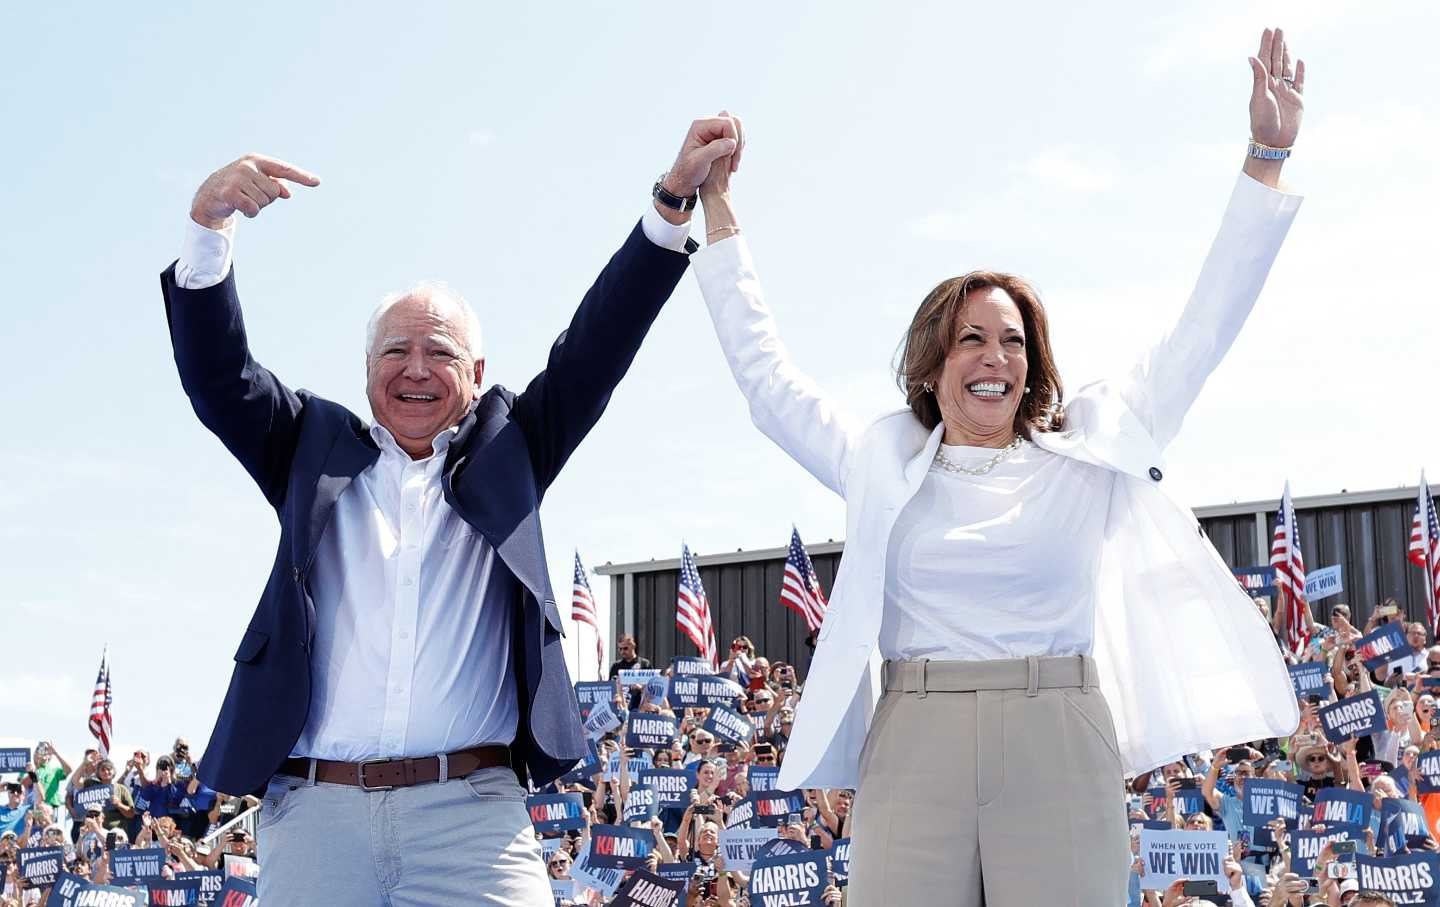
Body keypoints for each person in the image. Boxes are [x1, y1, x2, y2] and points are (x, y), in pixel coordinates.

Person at [687, 27, 1306, 905]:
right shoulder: (881, 458)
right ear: (932, 367)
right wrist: (716, 207)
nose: (994, 356)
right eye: (970, 337)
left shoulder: (1086, 453)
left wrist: (1266, 156)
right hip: (913, 738)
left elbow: (1201, 332)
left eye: (1012, 340)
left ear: (1033, 362)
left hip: (1057, 735)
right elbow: (766, 378)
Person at [160, 114, 739, 905]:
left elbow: (597, 347)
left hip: (471, 820)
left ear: (477, 372)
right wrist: (207, 226)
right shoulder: (308, 448)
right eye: (396, 351)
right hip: (316, 815)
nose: (417, 369)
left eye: (440, 352)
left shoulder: (513, 453)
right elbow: (218, 378)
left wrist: (672, 200)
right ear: (367, 370)